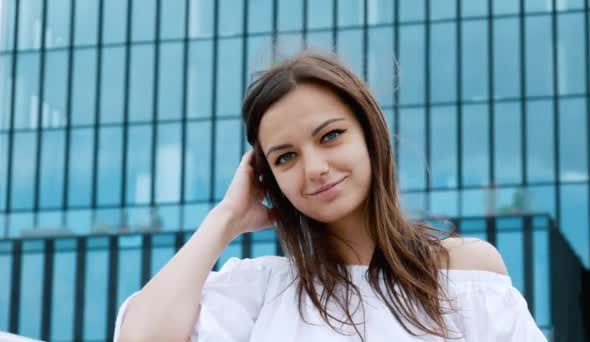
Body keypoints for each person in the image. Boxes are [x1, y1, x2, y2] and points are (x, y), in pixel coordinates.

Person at [114, 52, 547, 341]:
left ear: (369, 134)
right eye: (285, 158)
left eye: (331, 135)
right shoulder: (263, 288)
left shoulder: (463, 271)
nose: (315, 168)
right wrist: (226, 217)